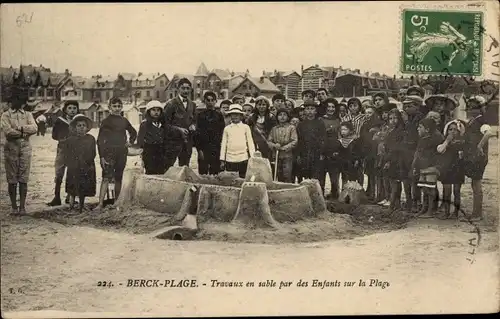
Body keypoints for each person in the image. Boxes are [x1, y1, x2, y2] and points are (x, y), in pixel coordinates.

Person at [95, 97, 137, 212]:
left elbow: (133, 132)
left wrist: (130, 142)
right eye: (114, 106)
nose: (117, 108)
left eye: (119, 106)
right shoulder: (106, 122)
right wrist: (102, 157)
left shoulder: (124, 120)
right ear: (109, 108)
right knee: (106, 178)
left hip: (122, 152)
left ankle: (116, 202)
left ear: (121, 107)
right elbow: (100, 141)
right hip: (109, 153)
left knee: (119, 177)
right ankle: (100, 204)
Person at [1, 98, 38, 215]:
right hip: (11, 147)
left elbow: (35, 128)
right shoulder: (6, 115)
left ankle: (22, 207)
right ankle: (14, 207)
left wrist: (21, 128)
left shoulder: (28, 114)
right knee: (12, 178)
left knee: (23, 177)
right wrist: (23, 133)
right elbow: (8, 132)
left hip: (25, 147)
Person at [462, 96, 494, 221]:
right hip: (473, 156)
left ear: (480, 109)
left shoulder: (481, 120)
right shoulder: (474, 120)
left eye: (473, 107)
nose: (470, 109)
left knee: (476, 184)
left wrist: (480, 146)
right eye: (469, 107)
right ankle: (476, 212)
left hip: (478, 157)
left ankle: (477, 214)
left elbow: (488, 133)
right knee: (474, 184)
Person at [47, 100, 80, 206]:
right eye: (70, 108)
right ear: (65, 109)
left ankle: (69, 197)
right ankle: (57, 197)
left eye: (74, 108)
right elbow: (54, 135)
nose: (72, 110)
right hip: (62, 149)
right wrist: (63, 139)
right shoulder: (60, 121)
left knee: (73, 173)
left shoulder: (78, 121)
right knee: (59, 173)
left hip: (75, 150)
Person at [63, 114, 96, 213]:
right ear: (75, 128)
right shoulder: (70, 140)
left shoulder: (91, 139)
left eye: (83, 125)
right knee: (72, 187)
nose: (81, 128)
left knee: (84, 187)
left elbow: (93, 153)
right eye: (79, 126)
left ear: (87, 127)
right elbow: (67, 154)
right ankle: (71, 206)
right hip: (74, 166)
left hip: (87, 165)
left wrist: (87, 162)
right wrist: (71, 163)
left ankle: (81, 206)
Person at [412, 118, 444, 218]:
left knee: (430, 189)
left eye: (420, 127)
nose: (417, 129)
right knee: (424, 189)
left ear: (427, 129)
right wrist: (415, 166)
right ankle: (424, 208)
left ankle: (430, 210)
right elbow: (417, 154)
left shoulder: (435, 140)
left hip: (431, 168)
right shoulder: (421, 140)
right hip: (422, 168)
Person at [163, 78, 197, 171]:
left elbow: (195, 120)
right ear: (178, 89)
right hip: (173, 143)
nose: (186, 91)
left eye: (188, 88)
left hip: (187, 144)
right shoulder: (171, 104)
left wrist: (193, 125)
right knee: (167, 168)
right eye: (183, 88)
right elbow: (164, 124)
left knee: (185, 169)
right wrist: (178, 129)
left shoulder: (192, 104)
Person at [436, 119, 466, 219]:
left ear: (459, 131)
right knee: (446, 192)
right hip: (447, 170)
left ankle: (456, 213)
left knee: (457, 191)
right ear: (446, 130)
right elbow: (440, 150)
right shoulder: (444, 142)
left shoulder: (462, 143)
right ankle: (446, 212)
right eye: (450, 129)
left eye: (455, 129)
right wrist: (447, 141)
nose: (452, 131)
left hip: (458, 170)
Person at [401, 95, 426, 212]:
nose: (406, 108)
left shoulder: (420, 118)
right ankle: (409, 201)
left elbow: (414, 135)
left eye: (409, 106)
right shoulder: (407, 117)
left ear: (417, 106)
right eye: (405, 106)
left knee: (415, 177)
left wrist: (406, 121)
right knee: (405, 177)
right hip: (405, 151)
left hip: (416, 150)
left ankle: (417, 202)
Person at [296, 102, 326, 192]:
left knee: (316, 174)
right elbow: (299, 140)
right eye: (307, 109)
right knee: (306, 173)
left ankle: (318, 193)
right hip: (305, 152)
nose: (309, 111)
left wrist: (322, 152)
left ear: (316, 111)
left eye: (312, 109)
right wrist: (298, 154)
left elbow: (323, 138)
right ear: (304, 111)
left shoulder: (320, 123)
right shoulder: (301, 124)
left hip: (316, 152)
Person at [220, 104, 256, 178]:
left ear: (241, 116)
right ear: (230, 116)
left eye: (237, 114)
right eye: (233, 114)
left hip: (243, 158)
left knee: (243, 178)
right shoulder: (227, 128)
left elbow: (250, 143)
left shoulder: (246, 127)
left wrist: (253, 157)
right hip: (230, 158)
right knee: (231, 179)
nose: (235, 116)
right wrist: (222, 160)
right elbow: (223, 144)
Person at [195, 91, 225, 175]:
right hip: (203, 148)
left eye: (212, 100)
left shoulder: (219, 116)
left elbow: (221, 132)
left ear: (216, 101)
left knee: (215, 173)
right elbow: (197, 134)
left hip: (216, 149)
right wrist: (199, 150)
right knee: (203, 173)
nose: (210, 102)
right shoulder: (200, 115)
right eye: (208, 100)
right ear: (204, 101)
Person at [382, 109, 406, 210]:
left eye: (395, 118)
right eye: (390, 118)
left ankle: (393, 204)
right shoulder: (391, 131)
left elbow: (395, 148)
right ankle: (396, 203)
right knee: (393, 181)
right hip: (391, 157)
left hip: (397, 159)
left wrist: (388, 160)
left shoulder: (400, 131)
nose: (393, 121)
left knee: (395, 182)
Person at [267, 108, 298, 183]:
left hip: (287, 155)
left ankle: (288, 190)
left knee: (287, 174)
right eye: (280, 115)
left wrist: (285, 147)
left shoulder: (291, 128)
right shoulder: (274, 129)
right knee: (278, 173)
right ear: (277, 117)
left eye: (284, 115)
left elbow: (294, 140)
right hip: (277, 155)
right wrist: (274, 145)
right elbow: (269, 141)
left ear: (288, 117)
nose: (282, 117)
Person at [359, 106, 383, 200]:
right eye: (366, 113)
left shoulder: (379, 124)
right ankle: (371, 193)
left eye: (370, 113)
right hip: (368, 151)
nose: (367, 115)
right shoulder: (365, 124)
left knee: (376, 174)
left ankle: (378, 195)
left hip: (376, 152)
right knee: (369, 173)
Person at [137, 100, 166, 175]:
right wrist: (142, 152)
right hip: (149, 151)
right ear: (149, 111)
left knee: (161, 172)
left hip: (161, 151)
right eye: (153, 110)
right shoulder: (144, 124)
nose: (156, 112)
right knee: (151, 172)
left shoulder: (162, 124)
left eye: (158, 110)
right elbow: (140, 139)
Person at [330, 121, 363, 186]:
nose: (343, 131)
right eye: (342, 129)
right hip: (341, 164)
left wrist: (356, 160)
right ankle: (342, 192)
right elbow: (337, 152)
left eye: (345, 129)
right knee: (342, 179)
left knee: (351, 180)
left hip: (351, 164)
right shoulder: (339, 141)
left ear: (350, 131)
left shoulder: (354, 141)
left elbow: (357, 153)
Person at [321, 98, 341, 198]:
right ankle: (320, 194)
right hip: (324, 149)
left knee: (334, 174)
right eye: (329, 106)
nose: (331, 109)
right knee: (322, 174)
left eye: (333, 107)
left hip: (335, 149)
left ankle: (335, 194)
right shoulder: (321, 119)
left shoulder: (338, 119)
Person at [247, 96, 276, 160]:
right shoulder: (251, 117)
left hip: (267, 143)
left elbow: (273, 131)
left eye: (263, 105)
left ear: (267, 106)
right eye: (259, 104)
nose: (261, 106)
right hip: (255, 142)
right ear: (256, 106)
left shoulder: (271, 117)